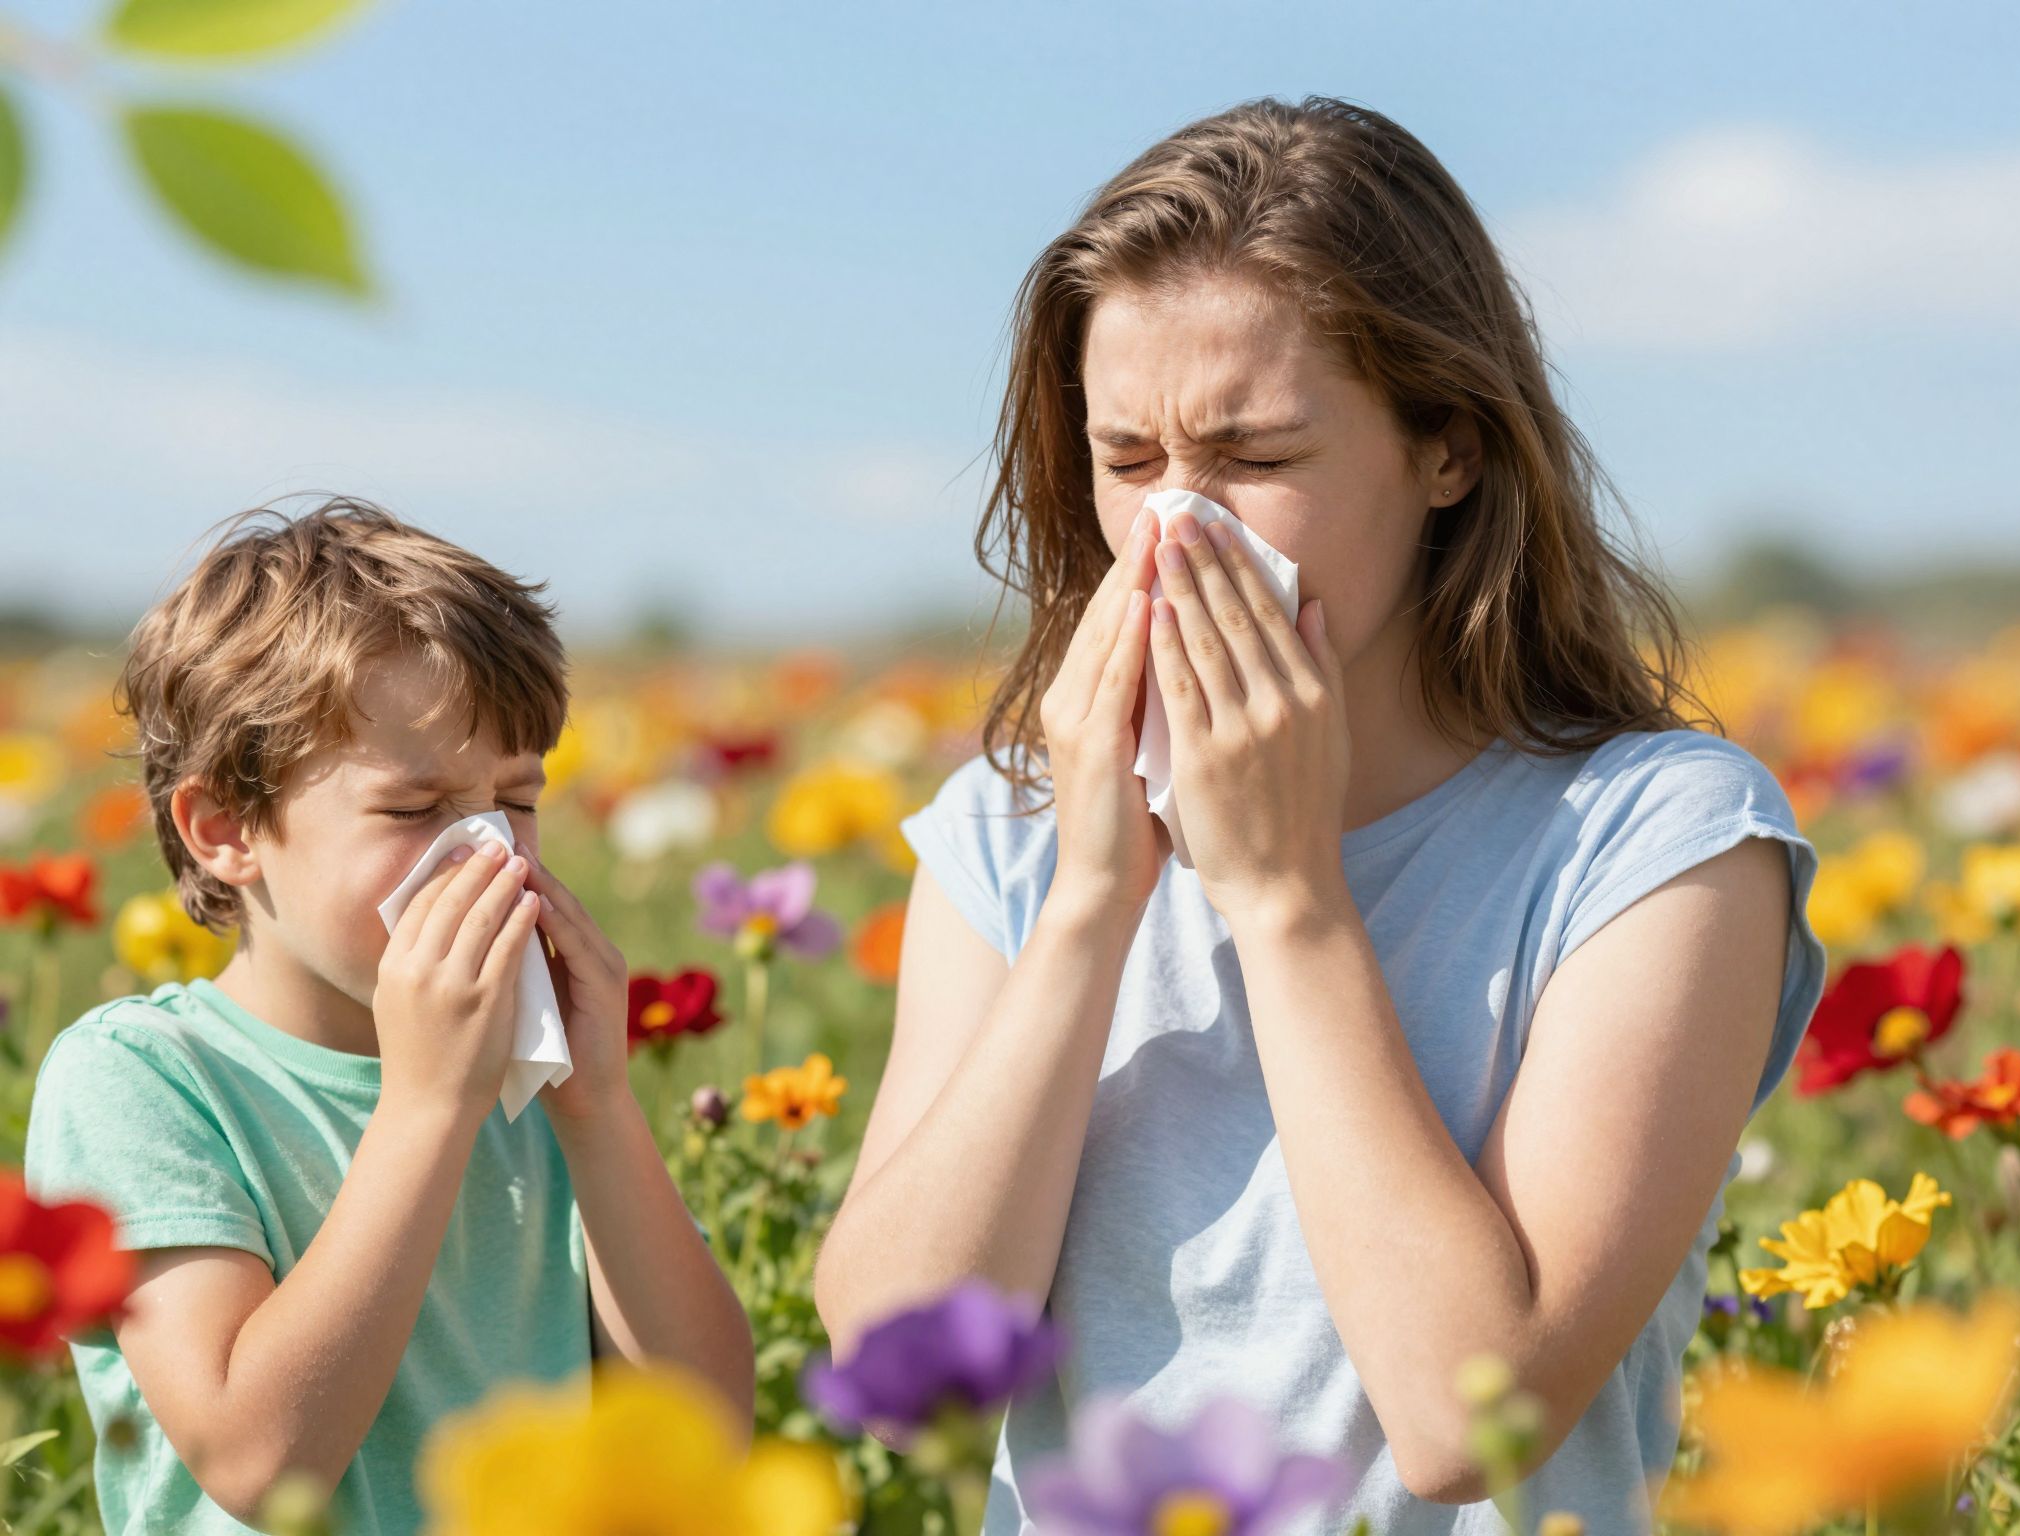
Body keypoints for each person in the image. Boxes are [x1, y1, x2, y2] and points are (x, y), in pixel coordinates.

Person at [813, 97, 1826, 1534]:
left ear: (1447, 450)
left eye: (1258, 458)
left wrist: (1285, 900)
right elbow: (896, 1370)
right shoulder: (1006, 834)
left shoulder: (1656, 844)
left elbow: (1469, 1417)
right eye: (1128, 461)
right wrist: (1089, 905)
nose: (1175, 528)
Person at [24, 498, 753, 1533]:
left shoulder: (535, 1082)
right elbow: (258, 1463)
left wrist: (600, 1111)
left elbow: (705, 1433)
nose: (491, 854)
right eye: (414, 810)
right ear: (226, 828)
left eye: (517, 800)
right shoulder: (141, 1077)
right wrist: (426, 1106)